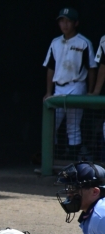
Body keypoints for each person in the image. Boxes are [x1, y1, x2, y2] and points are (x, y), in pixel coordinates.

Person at [43, 7, 97, 156]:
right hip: (58, 87)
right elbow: (50, 68)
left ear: (76, 23)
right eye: (62, 21)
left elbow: (92, 68)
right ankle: (53, 159)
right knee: (52, 124)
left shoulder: (84, 42)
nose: (65, 24)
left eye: (68, 21)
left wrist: (90, 91)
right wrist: (48, 91)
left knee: (73, 126)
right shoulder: (55, 42)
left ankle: (72, 160)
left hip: (76, 86)